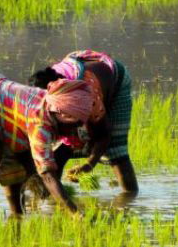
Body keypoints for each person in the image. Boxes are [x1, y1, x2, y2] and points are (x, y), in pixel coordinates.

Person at [0, 71, 95, 223]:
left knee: (16, 169)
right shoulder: (40, 122)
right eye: (76, 123)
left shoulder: (51, 104)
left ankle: (17, 216)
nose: (77, 128)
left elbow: (32, 160)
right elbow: (47, 174)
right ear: (62, 114)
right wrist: (75, 214)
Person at [29, 49, 138, 196]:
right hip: (78, 66)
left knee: (116, 151)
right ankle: (50, 198)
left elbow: (104, 135)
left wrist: (89, 164)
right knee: (57, 152)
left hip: (114, 79)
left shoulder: (87, 96)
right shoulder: (42, 95)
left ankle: (129, 198)